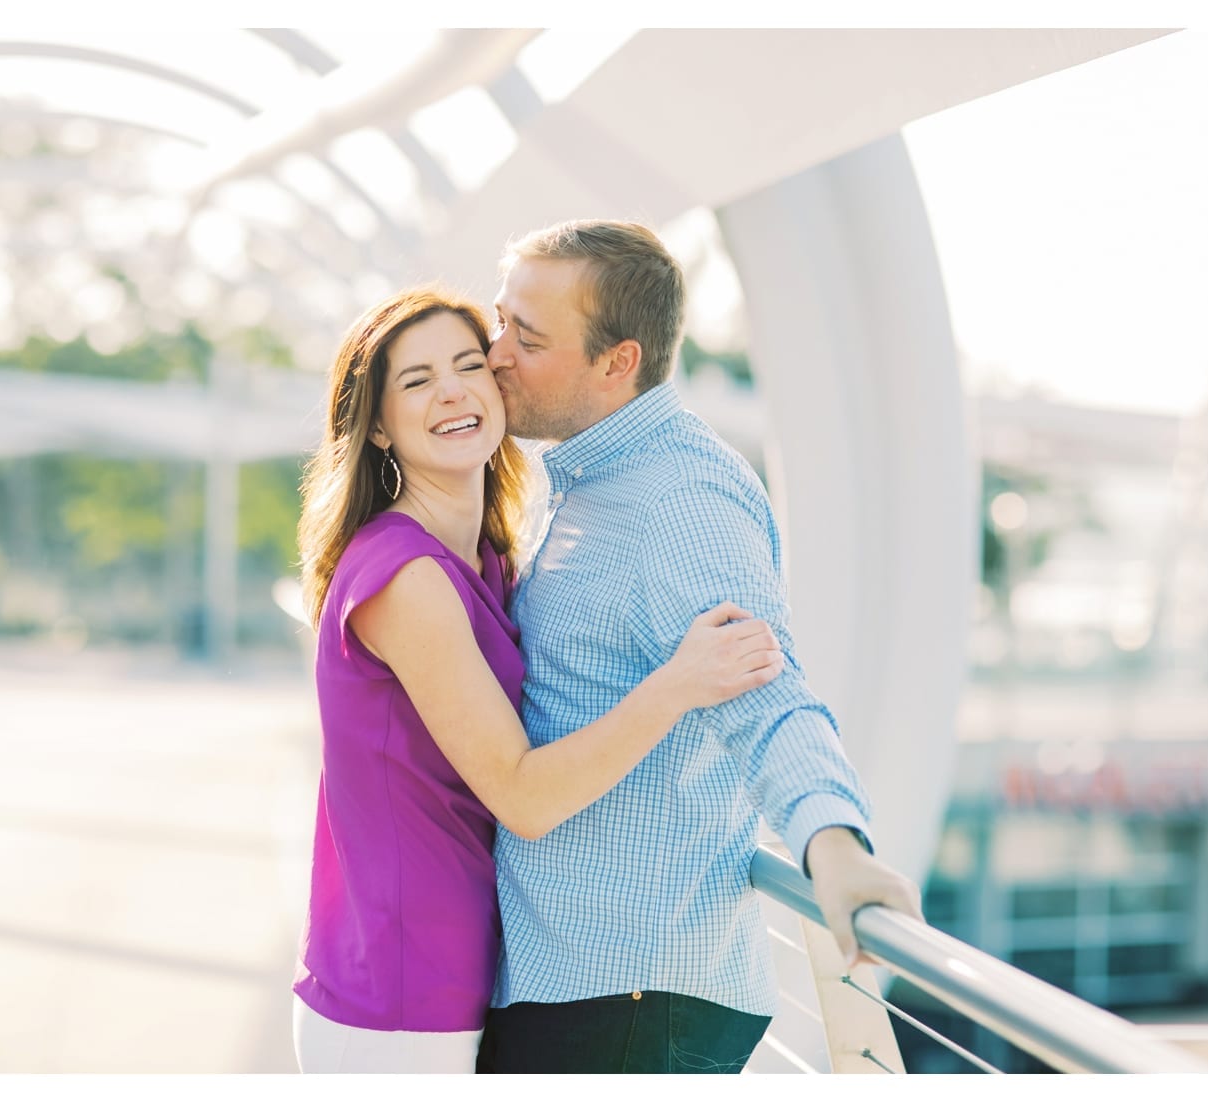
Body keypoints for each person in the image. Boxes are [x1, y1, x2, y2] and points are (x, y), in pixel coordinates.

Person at [290, 285, 785, 1074]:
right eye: (416, 381)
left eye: (466, 365)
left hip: (467, 972)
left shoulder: (486, 562)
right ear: (377, 424)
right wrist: (679, 683)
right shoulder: (405, 577)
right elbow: (522, 795)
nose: (451, 389)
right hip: (403, 994)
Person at [476, 220, 925, 1074]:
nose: (495, 354)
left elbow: (765, 688)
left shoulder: (680, 500)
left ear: (619, 363)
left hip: (629, 1003)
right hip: (575, 981)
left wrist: (835, 843)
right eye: (501, 322)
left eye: (526, 339)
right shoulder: (581, 479)